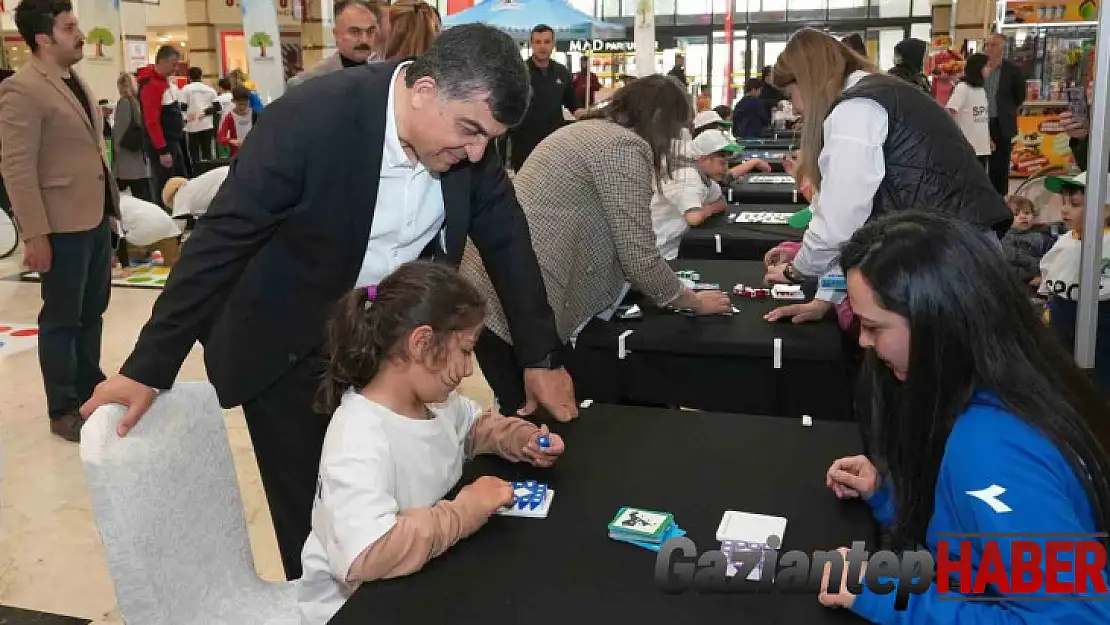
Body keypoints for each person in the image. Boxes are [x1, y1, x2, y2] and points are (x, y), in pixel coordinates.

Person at [81, 24, 577, 582]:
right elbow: (221, 242)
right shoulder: (313, 120)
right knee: (317, 532)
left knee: (401, 495)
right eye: (469, 131)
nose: (477, 151)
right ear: (424, 90)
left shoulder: (467, 149)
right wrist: (147, 368)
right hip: (287, 343)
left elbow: (511, 246)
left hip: (384, 344)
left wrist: (541, 358)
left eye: (490, 138)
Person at [819, 211, 1110, 622]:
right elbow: (971, 545)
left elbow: (1076, 619)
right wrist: (889, 496)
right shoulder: (1009, 395)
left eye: (873, 326)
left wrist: (885, 596)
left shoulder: (993, 451)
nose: (864, 342)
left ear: (935, 322)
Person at [297, 260, 566, 623]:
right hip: (356, 607)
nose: (470, 368)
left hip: (423, 578)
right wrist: (465, 512)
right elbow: (369, 554)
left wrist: (523, 439)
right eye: (466, 350)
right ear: (422, 343)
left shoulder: (437, 403)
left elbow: (475, 428)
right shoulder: (357, 436)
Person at [459, 74, 733, 414]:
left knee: (525, 417)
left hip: (497, 293)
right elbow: (638, 254)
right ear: (662, 121)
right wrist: (691, 301)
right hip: (513, 304)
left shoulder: (587, 130)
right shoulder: (623, 146)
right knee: (537, 421)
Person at [759, 28, 1011, 325]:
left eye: (791, 94)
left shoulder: (856, 108)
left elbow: (840, 222)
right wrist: (825, 297)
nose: (796, 107)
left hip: (948, 262)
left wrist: (797, 271)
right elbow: (855, 229)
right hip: (958, 251)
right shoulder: (879, 93)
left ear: (807, 81)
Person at [1, 0, 121, 442]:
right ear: (44, 38)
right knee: (61, 320)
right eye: (70, 27)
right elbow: (16, 167)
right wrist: (35, 233)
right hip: (59, 227)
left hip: (91, 221)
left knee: (93, 314)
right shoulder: (22, 89)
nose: (80, 33)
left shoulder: (74, 81)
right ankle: (63, 407)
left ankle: (91, 387)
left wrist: (110, 212)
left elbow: (91, 153)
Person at [1038, 171, 1110, 396]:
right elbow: (1050, 269)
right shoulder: (1068, 239)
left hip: (1101, 315)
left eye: (1075, 204)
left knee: (1100, 369)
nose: (1065, 209)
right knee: (1061, 363)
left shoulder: (1106, 242)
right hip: (1063, 308)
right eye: (1064, 203)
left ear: (1106, 209)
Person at [650, 129, 736, 260]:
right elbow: (694, 218)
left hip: (674, 244)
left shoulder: (702, 174)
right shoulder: (687, 178)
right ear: (703, 159)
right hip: (658, 250)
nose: (726, 169)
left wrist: (708, 209)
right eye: (722, 163)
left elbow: (721, 201)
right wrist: (708, 209)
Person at [505, 24, 580, 172]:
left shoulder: (562, 72)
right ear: (531, 44)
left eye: (547, 41)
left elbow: (574, 105)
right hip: (524, 148)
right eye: (538, 42)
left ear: (553, 44)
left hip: (555, 146)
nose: (542, 47)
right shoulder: (519, 72)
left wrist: (588, 114)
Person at [287, 0, 382, 89]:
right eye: (355, 32)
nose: (364, 40)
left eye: (370, 31)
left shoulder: (383, 77)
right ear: (336, 34)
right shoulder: (307, 83)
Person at [137, 45, 188, 206]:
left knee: (180, 179)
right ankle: (164, 217)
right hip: (163, 144)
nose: (176, 67)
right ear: (162, 61)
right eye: (173, 63)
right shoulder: (152, 85)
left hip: (172, 141)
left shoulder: (163, 82)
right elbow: (151, 121)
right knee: (165, 184)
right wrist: (162, 150)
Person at [984, 33, 1026, 194]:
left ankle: (999, 196)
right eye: (987, 44)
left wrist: (1006, 109)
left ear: (1002, 48)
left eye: (993, 45)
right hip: (980, 122)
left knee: (1000, 163)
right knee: (978, 161)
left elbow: (1019, 95)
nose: (989, 48)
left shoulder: (1013, 70)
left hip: (1001, 122)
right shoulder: (978, 67)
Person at [945, 52, 991, 170]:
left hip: (982, 147)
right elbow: (950, 112)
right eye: (986, 66)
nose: (989, 69)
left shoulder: (981, 90)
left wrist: (988, 139)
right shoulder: (963, 88)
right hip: (967, 147)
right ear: (978, 68)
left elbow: (982, 118)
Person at [112, 72, 153, 204]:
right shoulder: (136, 101)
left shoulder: (124, 102)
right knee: (142, 191)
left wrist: (115, 148)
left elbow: (120, 128)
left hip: (127, 154)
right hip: (138, 152)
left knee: (130, 189)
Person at [1001, 195, 1055, 290]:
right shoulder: (1006, 239)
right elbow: (1010, 263)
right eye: (1016, 214)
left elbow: (1053, 255)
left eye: (1027, 213)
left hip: (1047, 280)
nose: (1023, 217)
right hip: (1022, 283)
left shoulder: (1042, 234)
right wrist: (1029, 277)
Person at [216, 86, 255, 158]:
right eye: (240, 104)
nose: (242, 107)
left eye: (245, 104)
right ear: (233, 101)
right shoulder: (230, 117)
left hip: (253, 153)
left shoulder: (254, 115)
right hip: (236, 155)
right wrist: (232, 141)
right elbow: (220, 137)